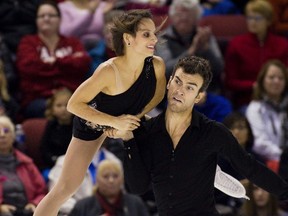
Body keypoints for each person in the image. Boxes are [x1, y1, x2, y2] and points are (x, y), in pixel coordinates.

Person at [105, 56, 288, 216]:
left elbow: (250, 167)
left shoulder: (213, 132)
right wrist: (128, 139)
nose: (180, 91)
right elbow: (137, 187)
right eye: (177, 82)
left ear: (199, 96)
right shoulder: (148, 131)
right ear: (168, 82)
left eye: (190, 88)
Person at [33, 9, 166, 216]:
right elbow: (74, 105)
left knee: (170, 130)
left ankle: (208, 171)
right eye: (146, 34)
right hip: (91, 124)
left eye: (154, 33)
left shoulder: (156, 65)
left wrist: (130, 120)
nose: (154, 38)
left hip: (124, 119)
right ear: (128, 39)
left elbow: (157, 97)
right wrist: (113, 123)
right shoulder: (108, 70)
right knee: (66, 188)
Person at [16, 0, 91, 119]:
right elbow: (29, 68)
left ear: (60, 19)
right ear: (36, 20)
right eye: (42, 16)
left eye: (51, 15)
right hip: (39, 99)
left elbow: (83, 64)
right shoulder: (28, 42)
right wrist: (68, 63)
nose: (46, 18)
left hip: (72, 96)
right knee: (55, 110)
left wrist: (54, 62)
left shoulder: (72, 42)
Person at [224, 0, 288, 109]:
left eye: (257, 18)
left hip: (279, 99)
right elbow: (230, 81)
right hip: (248, 100)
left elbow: (285, 75)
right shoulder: (236, 44)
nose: (252, 22)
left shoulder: (282, 44)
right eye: (249, 18)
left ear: (268, 21)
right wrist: (255, 86)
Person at [155, 0, 224, 92]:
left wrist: (206, 49)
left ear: (196, 18)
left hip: (205, 92)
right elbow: (165, 72)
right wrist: (191, 51)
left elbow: (219, 69)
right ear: (172, 17)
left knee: (223, 104)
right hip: (173, 92)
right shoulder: (162, 39)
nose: (183, 18)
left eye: (188, 15)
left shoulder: (205, 36)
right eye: (179, 14)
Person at [48, 147, 119, 215]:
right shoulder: (64, 162)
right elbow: (57, 199)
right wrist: (87, 210)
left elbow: (120, 196)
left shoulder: (114, 160)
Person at [0, 115, 47, 216]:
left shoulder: (27, 162)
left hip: (27, 211)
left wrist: (34, 203)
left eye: (6, 131)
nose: (2, 135)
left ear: (13, 136)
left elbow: (42, 191)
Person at [68, 159, 150, 216]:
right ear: (97, 180)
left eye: (115, 176)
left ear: (122, 179)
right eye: (105, 176)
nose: (111, 180)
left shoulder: (135, 203)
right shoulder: (83, 206)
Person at [245, 59, 288, 163]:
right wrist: (283, 157)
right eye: (271, 77)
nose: (276, 81)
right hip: (266, 164)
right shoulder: (255, 108)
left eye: (281, 78)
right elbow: (259, 143)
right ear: (262, 80)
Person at [40, 88, 73, 181]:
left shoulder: (78, 125)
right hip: (53, 164)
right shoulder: (51, 125)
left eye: (67, 105)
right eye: (59, 105)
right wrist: (54, 160)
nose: (63, 109)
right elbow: (44, 148)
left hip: (74, 165)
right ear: (52, 109)